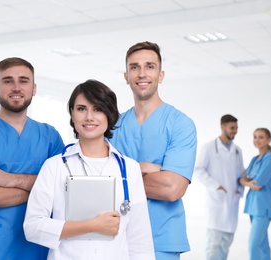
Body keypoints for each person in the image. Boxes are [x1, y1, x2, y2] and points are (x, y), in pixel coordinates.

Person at [23, 79, 155, 260]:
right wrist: (91, 226)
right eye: (81, 109)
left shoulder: (128, 169)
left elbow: (140, 241)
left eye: (98, 109)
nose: (89, 117)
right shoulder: (55, 166)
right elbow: (32, 227)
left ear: (109, 114)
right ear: (72, 113)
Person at [0, 57, 65, 260]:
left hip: (37, 245)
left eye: (23, 81)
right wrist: (41, 190)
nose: (16, 87)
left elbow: (63, 187)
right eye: (7, 81)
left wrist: (10, 180)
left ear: (33, 88)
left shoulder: (50, 136)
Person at [109, 41, 197, 259]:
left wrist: (123, 176)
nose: (142, 74)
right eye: (134, 67)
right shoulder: (113, 126)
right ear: (126, 76)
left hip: (161, 238)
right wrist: (148, 169)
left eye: (150, 66)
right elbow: (101, 181)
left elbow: (172, 189)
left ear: (161, 75)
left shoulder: (180, 124)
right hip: (117, 237)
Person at [194, 114, 245, 260]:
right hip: (216, 200)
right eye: (232, 128)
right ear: (222, 127)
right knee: (213, 243)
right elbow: (198, 169)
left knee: (226, 243)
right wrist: (216, 187)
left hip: (232, 201)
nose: (235, 131)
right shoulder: (209, 147)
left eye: (236, 128)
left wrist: (239, 190)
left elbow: (241, 173)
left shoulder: (237, 150)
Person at [239, 128, 271, 260]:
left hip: (263, 208)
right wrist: (248, 182)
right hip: (253, 207)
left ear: (268, 140)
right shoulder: (254, 159)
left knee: (253, 244)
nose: (257, 140)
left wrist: (247, 182)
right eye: (255, 137)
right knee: (263, 245)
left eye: (261, 137)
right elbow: (242, 177)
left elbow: (257, 184)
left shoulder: (270, 159)